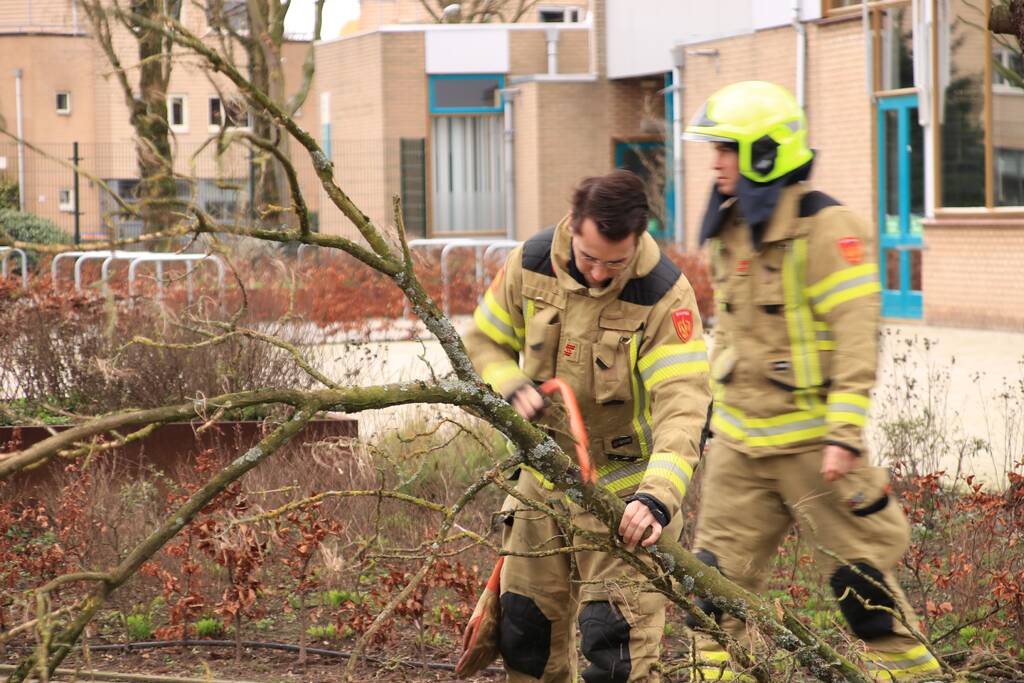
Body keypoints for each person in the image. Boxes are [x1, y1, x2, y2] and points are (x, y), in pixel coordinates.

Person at [682, 80, 941, 682]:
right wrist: (708, 422)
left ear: (764, 153)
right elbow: (733, 341)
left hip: (815, 450)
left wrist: (844, 432)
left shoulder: (828, 230)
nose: (716, 161)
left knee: (865, 598)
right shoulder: (732, 231)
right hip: (740, 452)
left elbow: (856, 336)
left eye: (726, 148)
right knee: (711, 599)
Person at [464, 169, 712, 682]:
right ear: (572, 226)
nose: (599, 274)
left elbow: (684, 405)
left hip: (625, 503)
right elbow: (483, 341)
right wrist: (511, 385)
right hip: (541, 486)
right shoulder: (531, 263)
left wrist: (657, 498)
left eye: (614, 264)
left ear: (638, 238)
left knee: (614, 652)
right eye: (589, 258)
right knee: (525, 640)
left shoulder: (662, 294)